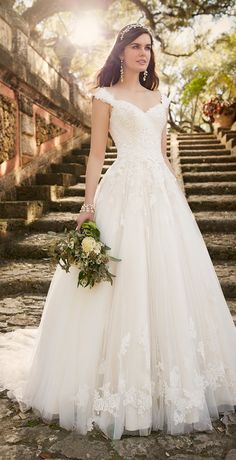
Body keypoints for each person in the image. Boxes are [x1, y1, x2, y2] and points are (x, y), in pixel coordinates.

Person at [0, 23, 236, 441]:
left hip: (161, 197)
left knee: (167, 283)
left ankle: (169, 379)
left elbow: (163, 156)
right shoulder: (103, 96)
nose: (144, 53)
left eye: (148, 47)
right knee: (117, 282)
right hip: (120, 190)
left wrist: (178, 200)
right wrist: (88, 207)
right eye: (136, 46)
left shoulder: (159, 97)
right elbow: (95, 157)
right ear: (121, 52)